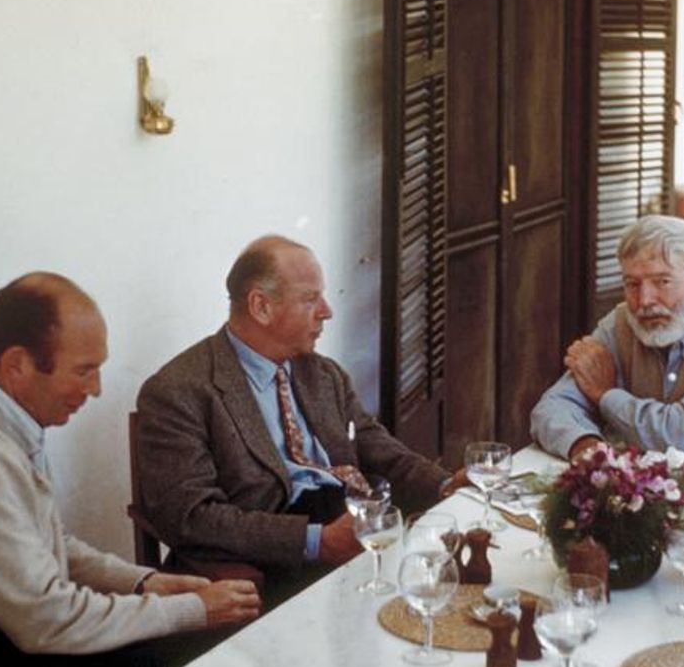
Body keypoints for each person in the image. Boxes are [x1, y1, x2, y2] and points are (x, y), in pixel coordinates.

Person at [0, 273, 260, 667]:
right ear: (17, 365)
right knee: (162, 660)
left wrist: (145, 583)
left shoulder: (1, 425)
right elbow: (44, 619)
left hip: (1, 627)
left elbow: (46, 543)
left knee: (173, 650)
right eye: (83, 371)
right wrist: (192, 610)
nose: (96, 389)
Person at [135, 235, 464, 601]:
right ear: (261, 306)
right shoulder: (178, 391)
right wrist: (317, 542)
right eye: (310, 298)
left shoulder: (323, 374)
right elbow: (191, 516)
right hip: (276, 556)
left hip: (355, 525)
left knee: (451, 590)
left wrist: (445, 486)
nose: (326, 310)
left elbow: (376, 446)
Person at [530, 216, 684, 462]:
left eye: (663, 281)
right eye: (632, 284)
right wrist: (586, 447)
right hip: (645, 498)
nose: (645, 301)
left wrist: (606, 395)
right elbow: (552, 408)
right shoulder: (621, 324)